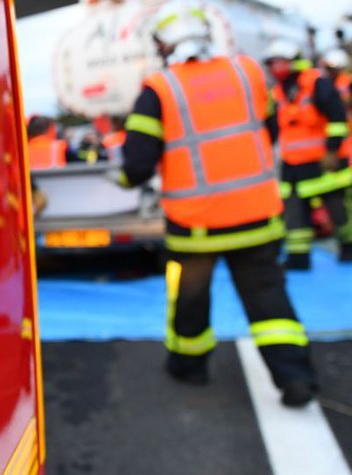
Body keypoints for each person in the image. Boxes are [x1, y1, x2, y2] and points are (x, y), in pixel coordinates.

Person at [115, 0, 317, 406]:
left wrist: (119, 179)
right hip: (257, 215)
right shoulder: (248, 72)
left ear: (165, 42)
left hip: (196, 227)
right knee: (269, 299)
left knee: (191, 300)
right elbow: (270, 131)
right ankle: (294, 379)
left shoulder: (160, 89)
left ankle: (189, 368)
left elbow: (136, 166)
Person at [265, 40, 352, 268]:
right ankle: (298, 257)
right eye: (273, 64)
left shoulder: (317, 84)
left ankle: (349, 248)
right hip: (293, 165)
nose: (276, 68)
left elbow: (338, 119)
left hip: (324, 162)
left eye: (280, 63)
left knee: (338, 211)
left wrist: (332, 150)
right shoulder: (278, 92)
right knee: (294, 213)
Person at [320, 47, 352, 251]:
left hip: (346, 149)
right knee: (337, 200)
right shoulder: (322, 86)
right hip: (335, 149)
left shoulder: (347, 84)